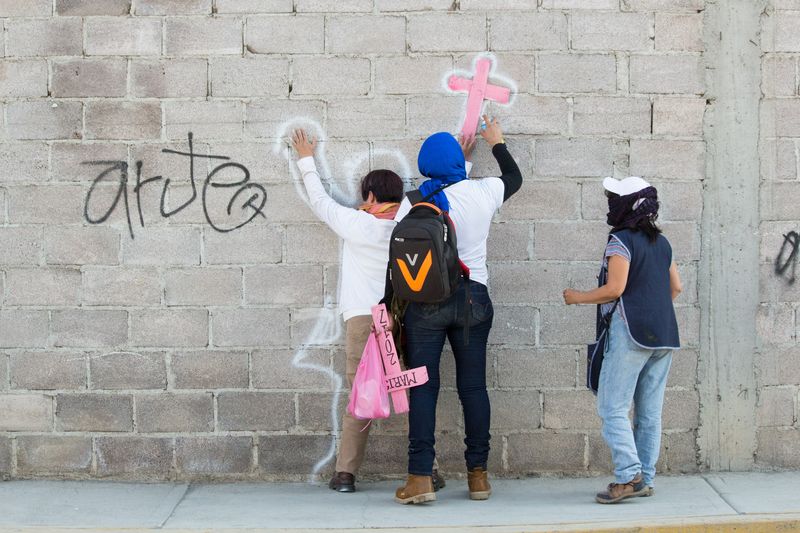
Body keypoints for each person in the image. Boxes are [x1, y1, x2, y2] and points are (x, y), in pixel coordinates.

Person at [289, 130, 445, 493]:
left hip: (363, 318)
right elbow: (442, 191)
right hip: (402, 318)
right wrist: (463, 160)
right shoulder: (410, 223)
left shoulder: (357, 224)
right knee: (409, 391)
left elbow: (319, 200)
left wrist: (305, 157)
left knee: (361, 390)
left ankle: (345, 474)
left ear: (370, 196)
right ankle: (428, 470)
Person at [393, 116, 523, 505]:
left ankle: (419, 478)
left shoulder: (412, 203)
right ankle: (478, 477)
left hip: (425, 305)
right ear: (457, 162)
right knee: (473, 388)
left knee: (424, 388)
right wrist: (495, 142)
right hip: (474, 300)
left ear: (424, 165)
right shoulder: (484, 192)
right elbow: (514, 178)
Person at [562, 176, 682, 504]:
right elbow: (676, 288)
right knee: (648, 412)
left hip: (631, 334)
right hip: (665, 336)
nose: (609, 203)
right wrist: (653, 310)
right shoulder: (663, 243)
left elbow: (615, 289)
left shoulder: (621, 241)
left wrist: (577, 297)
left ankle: (629, 475)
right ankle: (647, 477)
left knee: (612, 406)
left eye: (614, 198)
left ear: (625, 205)